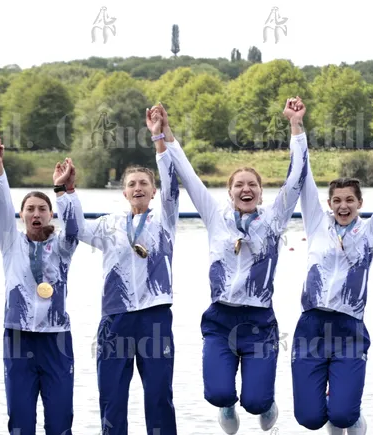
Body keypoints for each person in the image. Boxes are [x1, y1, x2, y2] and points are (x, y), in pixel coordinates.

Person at [159, 98, 308, 434]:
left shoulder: (272, 221)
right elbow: (188, 174)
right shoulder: (215, 217)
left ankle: (265, 401)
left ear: (261, 193)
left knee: (255, 402)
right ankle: (226, 404)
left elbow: (296, 178)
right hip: (220, 320)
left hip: (258, 321)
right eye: (239, 184)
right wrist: (166, 133)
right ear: (229, 192)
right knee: (218, 393)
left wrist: (295, 126)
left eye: (252, 185)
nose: (246, 189)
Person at [292, 135, 373, 434]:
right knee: (309, 419)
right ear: (328, 203)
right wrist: (297, 128)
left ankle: (349, 416)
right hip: (311, 325)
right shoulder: (316, 222)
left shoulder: (370, 232)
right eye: (337, 200)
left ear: (360, 203)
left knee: (344, 414)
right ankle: (334, 407)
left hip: (349, 328)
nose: (343, 205)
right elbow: (303, 174)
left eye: (349, 200)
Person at [68, 108, 180, 435]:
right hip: (115, 318)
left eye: (144, 183)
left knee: (159, 396)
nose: (138, 188)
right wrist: (68, 192)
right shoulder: (109, 225)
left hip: (154, 316)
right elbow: (75, 229)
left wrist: (159, 140)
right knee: (112, 398)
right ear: (124, 192)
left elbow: (173, 183)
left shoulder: (165, 220)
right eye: (132, 184)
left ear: (153, 190)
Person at [0, 135, 82, 435]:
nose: (36, 213)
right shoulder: (10, 242)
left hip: (56, 339)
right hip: (18, 338)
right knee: (20, 422)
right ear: (22, 215)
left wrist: (63, 191)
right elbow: (2, 205)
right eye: (30, 209)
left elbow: (76, 226)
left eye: (42, 209)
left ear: (50, 214)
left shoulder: (63, 247)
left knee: (59, 421)